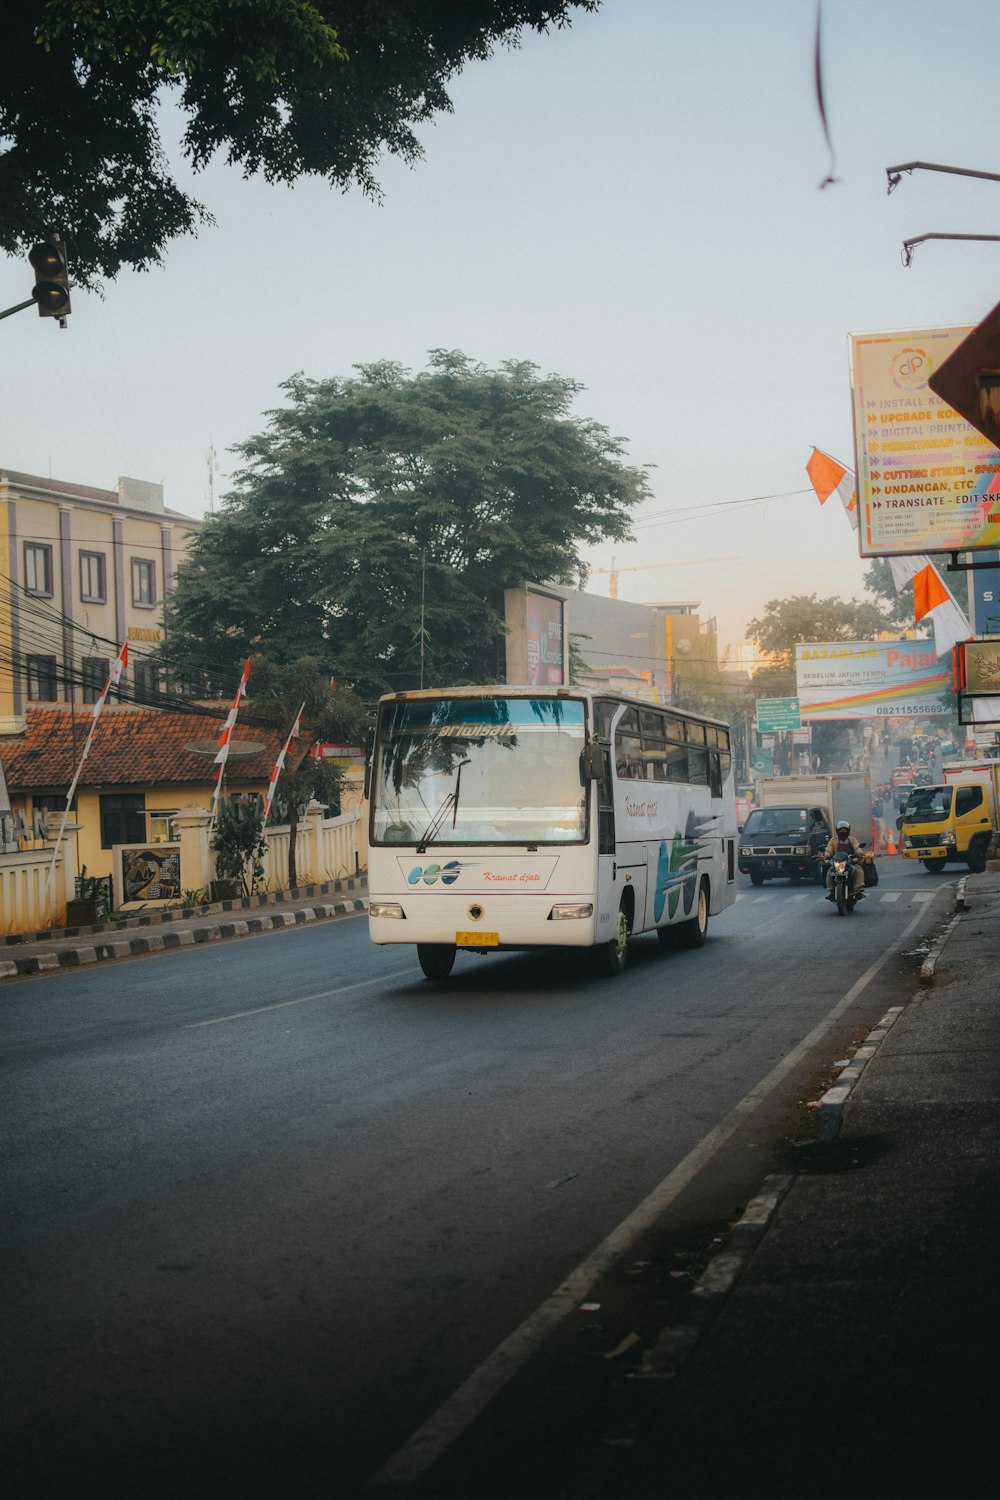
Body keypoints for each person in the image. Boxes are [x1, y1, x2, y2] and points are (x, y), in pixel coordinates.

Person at [822, 819, 865, 902]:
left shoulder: (852, 840)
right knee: (829, 873)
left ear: (848, 831)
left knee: (859, 871)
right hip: (837, 863)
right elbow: (828, 850)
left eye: (844, 830)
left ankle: (858, 891)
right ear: (837, 831)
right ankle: (831, 892)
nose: (843, 832)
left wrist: (859, 853)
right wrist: (826, 856)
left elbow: (857, 848)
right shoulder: (833, 841)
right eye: (841, 830)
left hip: (850, 862)